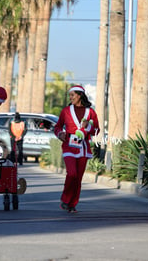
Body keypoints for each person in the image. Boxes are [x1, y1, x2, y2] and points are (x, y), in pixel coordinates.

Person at [54, 85, 99, 213]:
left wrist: (88, 126)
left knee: (78, 178)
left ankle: (72, 204)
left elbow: (96, 130)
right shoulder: (66, 111)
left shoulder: (90, 112)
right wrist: (60, 134)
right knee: (72, 173)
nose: (71, 97)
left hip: (83, 149)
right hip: (69, 146)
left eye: (73, 95)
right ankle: (65, 199)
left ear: (80, 95)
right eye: (70, 95)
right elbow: (57, 127)